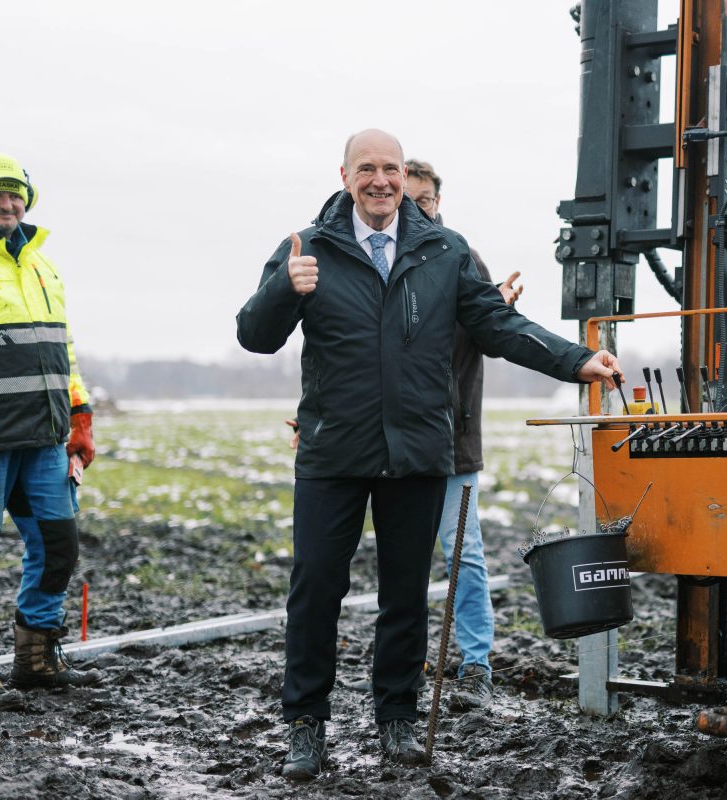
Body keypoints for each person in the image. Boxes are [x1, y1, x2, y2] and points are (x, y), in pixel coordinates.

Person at [236, 129, 622, 779]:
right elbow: (255, 336)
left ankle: (396, 720)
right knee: (314, 592)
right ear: (345, 175)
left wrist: (575, 359)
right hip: (333, 450)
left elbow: (496, 325)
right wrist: (284, 289)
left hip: (417, 450)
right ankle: (305, 724)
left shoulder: (444, 250)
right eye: (368, 169)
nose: (381, 180)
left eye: (390, 168)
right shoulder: (309, 247)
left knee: (405, 597)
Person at [0, 153, 101, 708]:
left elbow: (63, 348)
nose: (7, 204)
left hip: (44, 440)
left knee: (60, 545)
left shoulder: (39, 263)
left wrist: (80, 414)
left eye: (15, 195)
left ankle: (36, 656)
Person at [403, 157, 521, 711]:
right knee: (402, 559)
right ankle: (405, 663)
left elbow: (491, 331)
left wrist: (495, 311)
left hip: (454, 441)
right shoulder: (380, 260)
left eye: (424, 200)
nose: (416, 208)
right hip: (396, 445)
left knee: (464, 556)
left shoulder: (459, 255)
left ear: (438, 203)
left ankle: (476, 665)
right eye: (407, 199)